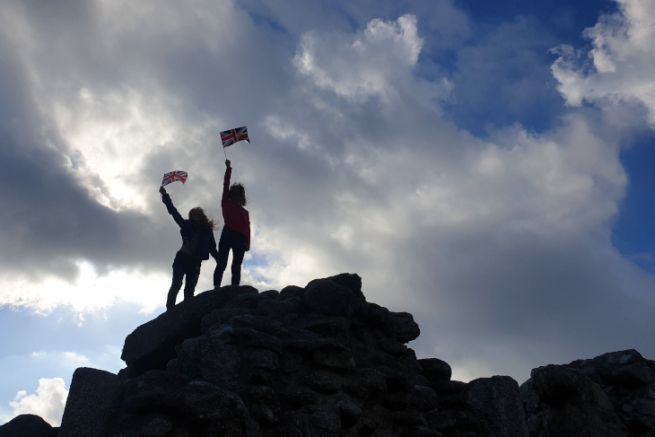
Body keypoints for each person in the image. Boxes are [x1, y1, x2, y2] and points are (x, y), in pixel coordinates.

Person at [160, 186, 219, 310]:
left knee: (190, 289)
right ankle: (170, 310)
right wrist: (165, 196)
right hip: (182, 258)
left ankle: (187, 312)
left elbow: (212, 247)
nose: (194, 216)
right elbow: (173, 212)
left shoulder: (207, 230)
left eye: (197, 214)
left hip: (195, 262)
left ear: (201, 216)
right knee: (176, 284)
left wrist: (220, 260)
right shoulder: (186, 224)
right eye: (192, 214)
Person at [214, 159, 250, 287]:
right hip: (228, 233)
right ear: (231, 195)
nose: (237, 196)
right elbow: (225, 184)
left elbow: (247, 229)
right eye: (234, 194)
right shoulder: (226, 202)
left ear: (242, 197)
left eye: (239, 194)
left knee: (236, 265)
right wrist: (228, 169)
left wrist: (247, 243)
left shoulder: (245, 212)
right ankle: (216, 287)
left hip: (240, 238)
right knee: (222, 262)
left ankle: (235, 287)